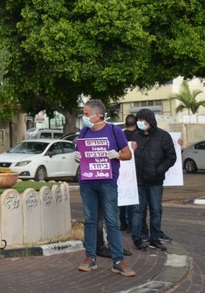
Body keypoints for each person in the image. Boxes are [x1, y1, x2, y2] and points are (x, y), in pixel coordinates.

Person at [74, 99, 136, 277]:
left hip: (107, 182)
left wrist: (117, 154)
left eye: (86, 114)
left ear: (97, 115)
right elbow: (80, 152)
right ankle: (90, 258)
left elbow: (127, 154)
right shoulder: (84, 131)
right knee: (90, 220)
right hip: (87, 182)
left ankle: (118, 260)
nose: (84, 117)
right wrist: (77, 156)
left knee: (111, 221)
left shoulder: (113, 131)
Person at [129, 108, 177, 252]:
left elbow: (171, 157)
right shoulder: (134, 136)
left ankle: (154, 239)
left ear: (150, 121)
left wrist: (159, 170)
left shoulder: (163, 136)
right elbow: (127, 154)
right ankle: (137, 238)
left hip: (155, 181)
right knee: (138, 210)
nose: (140, 123)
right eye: (138, 120)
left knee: (156, 210)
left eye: (143, 120)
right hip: (138, 181)